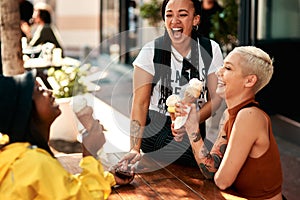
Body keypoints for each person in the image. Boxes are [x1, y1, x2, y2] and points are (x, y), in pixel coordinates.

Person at [119, 0, 224, 169]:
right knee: (210, 161)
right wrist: (134, 148)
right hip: (156, 127)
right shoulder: (150, 52)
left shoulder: (210, 49)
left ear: (196, 19)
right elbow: (140, 103)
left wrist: (192, 121)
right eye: (169, 15)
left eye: (182, 14)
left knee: (217, 156)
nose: (174, 20)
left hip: (194, 129)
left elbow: (216, 99)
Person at [0, 70, 134, 199]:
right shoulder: (34, 163)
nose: (50, 92)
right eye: (40, 91)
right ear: (24, 110)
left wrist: (109, 177)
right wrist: (90, 153)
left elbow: (65, 188)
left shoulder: (16, 155)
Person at [174, 46, 283, 199]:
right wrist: (192, 126)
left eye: (228, 68)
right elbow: (211, 169)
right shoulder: (229, 114)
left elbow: (222, 181)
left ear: (250, 80)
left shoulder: (249, 116)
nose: (219, 72)